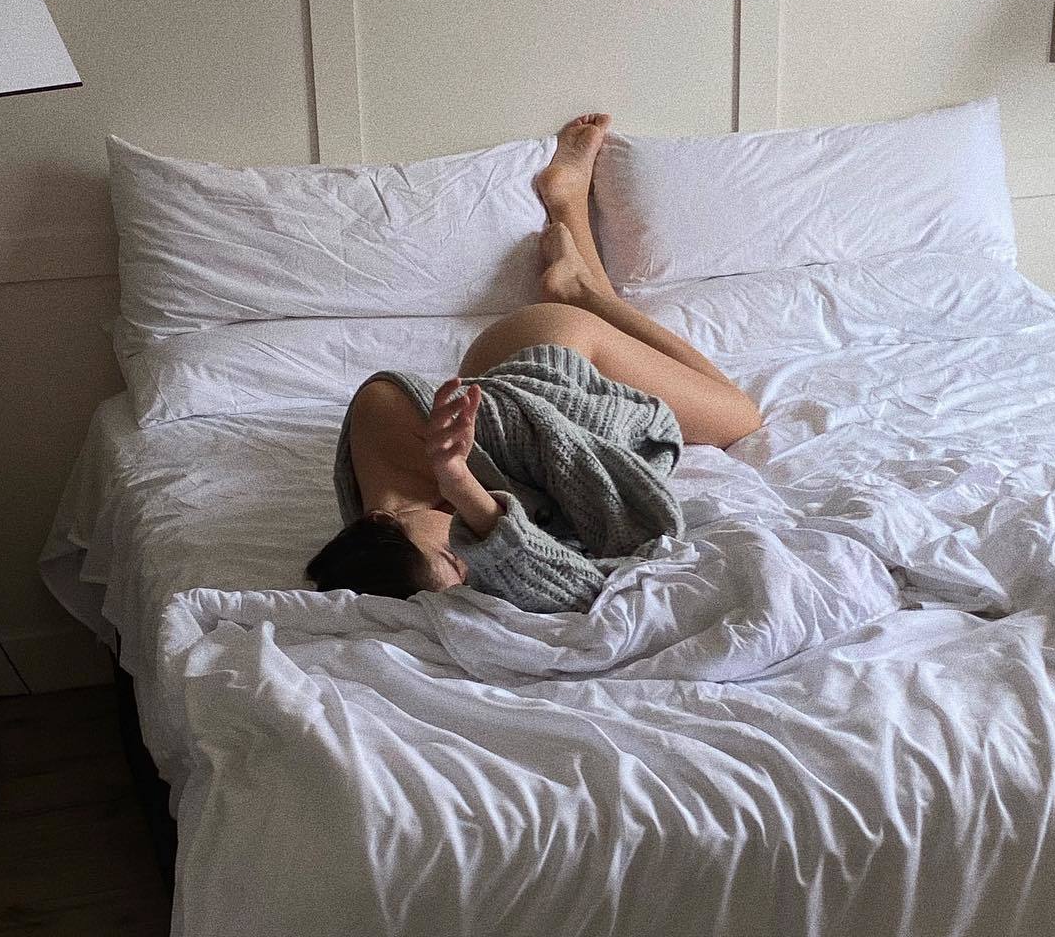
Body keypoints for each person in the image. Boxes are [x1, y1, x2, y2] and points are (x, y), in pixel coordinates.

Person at [308, 113, 763, 611]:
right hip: (494, 364)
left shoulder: (384, 414)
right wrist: (463, 487)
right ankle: (567, 206)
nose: (473, 563)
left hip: (543, 350)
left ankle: (581, 292)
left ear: (379, 521)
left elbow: (582, 467)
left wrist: (464, 479)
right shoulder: (393, 557)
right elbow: (576, 584)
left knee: (740, 415)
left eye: (453, 557)